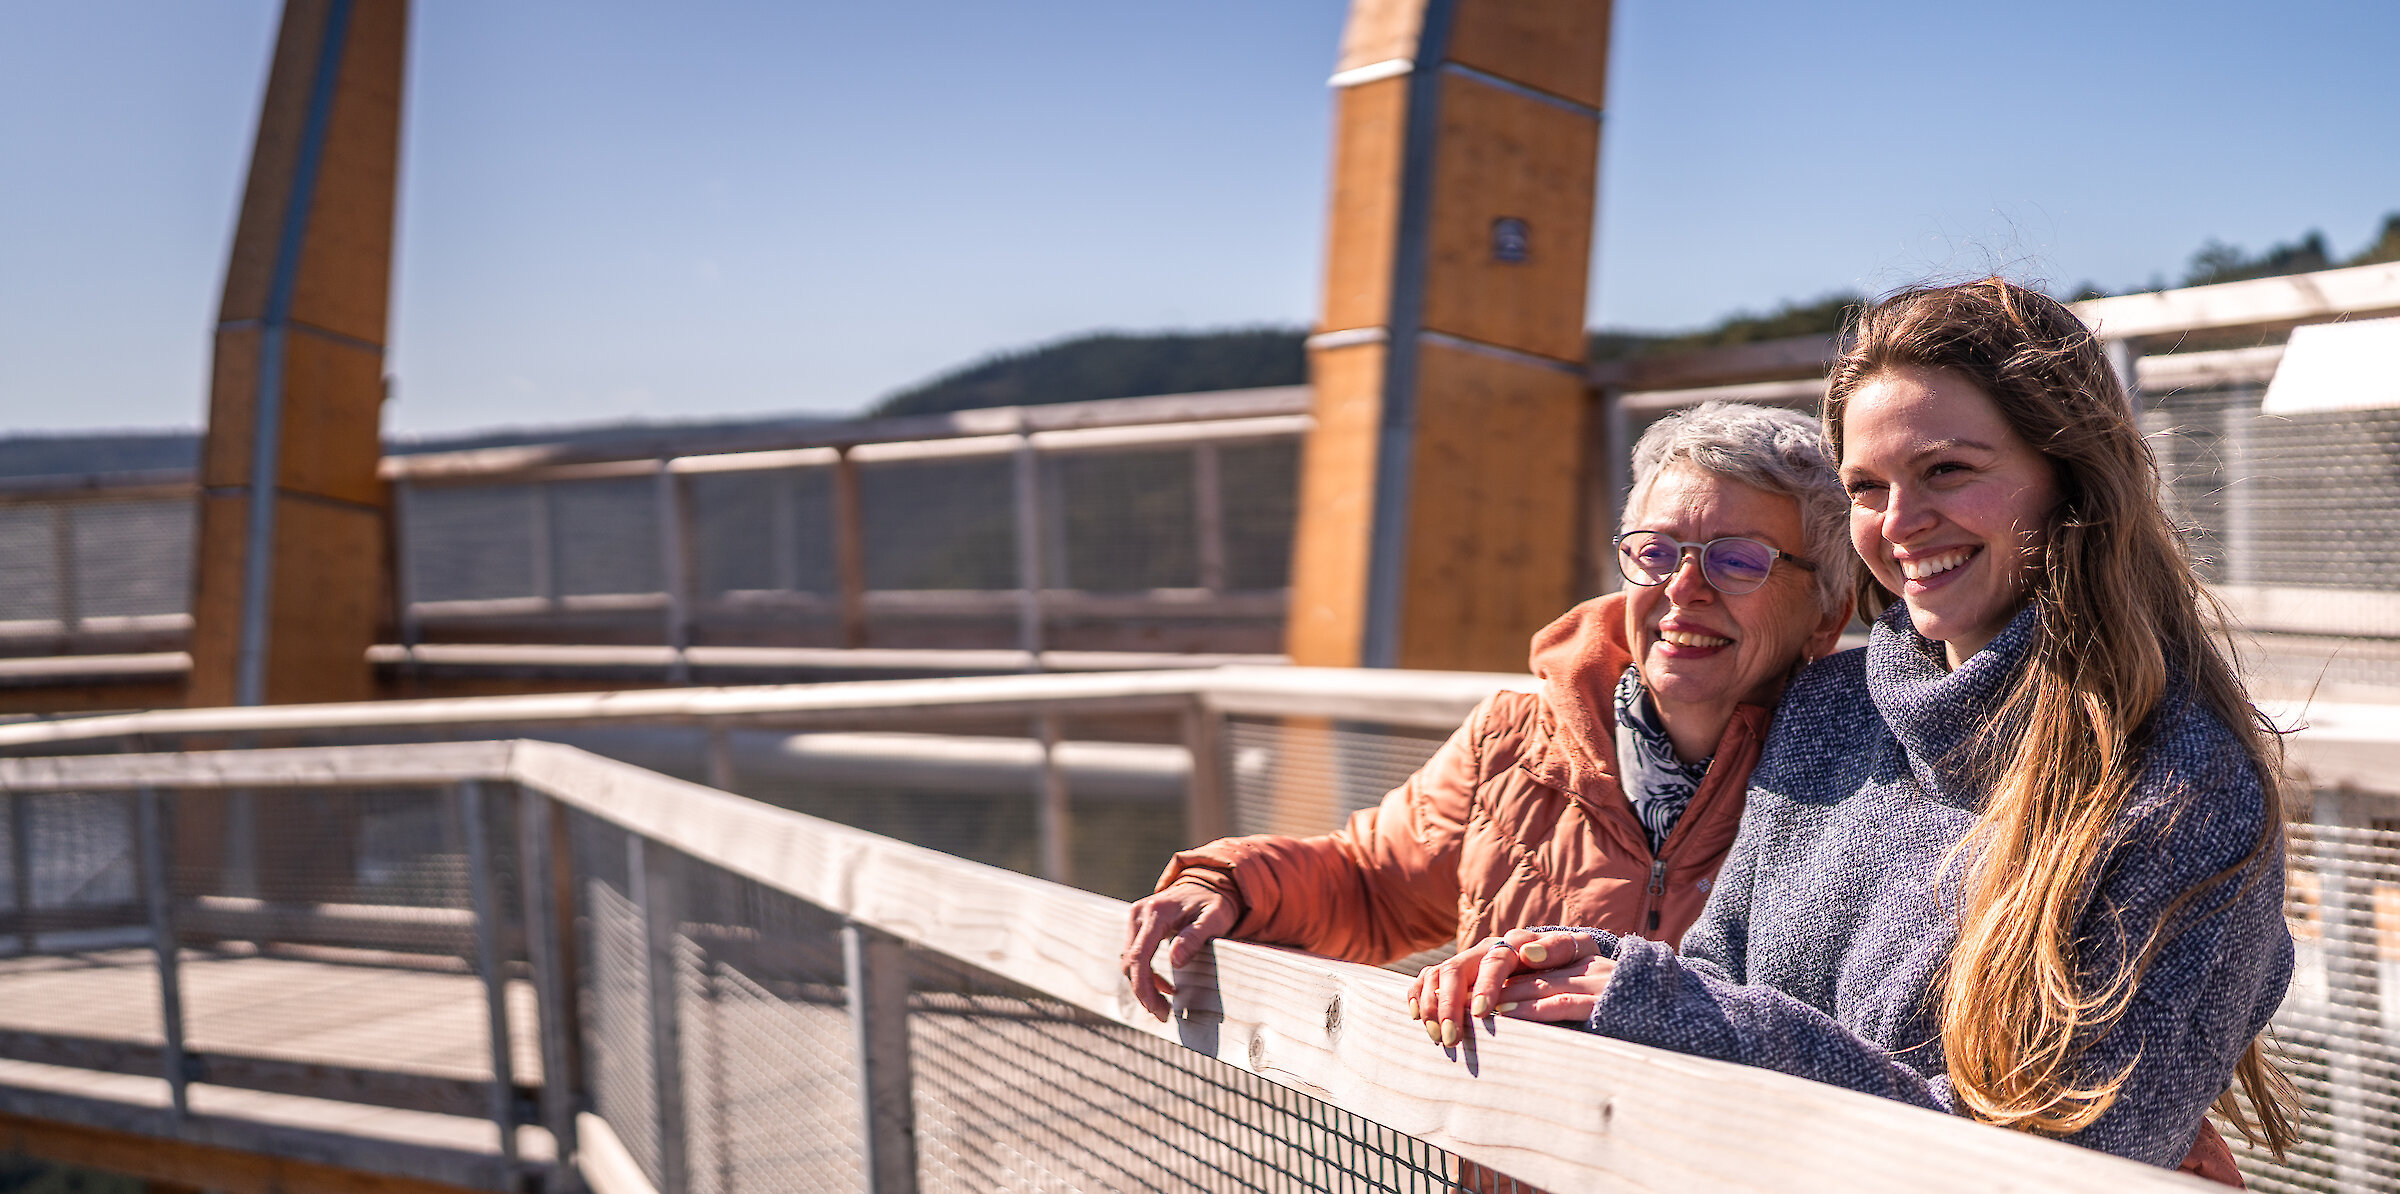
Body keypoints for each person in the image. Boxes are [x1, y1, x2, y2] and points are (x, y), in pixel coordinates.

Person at [1409, 279, 2295, 1182]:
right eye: (1867, 486)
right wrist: (1573, 968)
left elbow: (2056, 1168)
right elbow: (1717, 982)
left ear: (2070, 475)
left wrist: (1670, 1006)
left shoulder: (2186, 791)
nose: (1901, 524)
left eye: (1946, 470)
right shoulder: (1833, 708)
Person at [1120, 401, 1854, 1037]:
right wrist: (1225, 885)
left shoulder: (1870, 785)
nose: (1683, 588)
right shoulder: (1513, 740)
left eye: (1738, 562)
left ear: (1827, 612)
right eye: (1657, 552)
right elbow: (1371, 886)